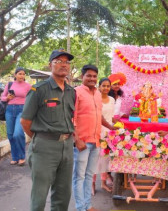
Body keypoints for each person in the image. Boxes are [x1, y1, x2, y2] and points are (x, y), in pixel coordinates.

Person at [20, 49, 75, 211]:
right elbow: (25, 121)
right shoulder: (39, 90)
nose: (63, 65)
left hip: (67, 147)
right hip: (45, 147)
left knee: (63, 195)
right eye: (58, 61)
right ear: (50, 65)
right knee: (39, 196)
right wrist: (42, 138)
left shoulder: (71, 91)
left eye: (66, 62)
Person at [72, 65, 115, 211]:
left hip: (96, 141)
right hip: (82, 142)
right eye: (88, 76)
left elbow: (99, 115)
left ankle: (88, 205)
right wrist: (76, 139)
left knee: (89, 175)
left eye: (94, 76)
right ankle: (80, 207)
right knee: (79, 177)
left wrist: (110, 126)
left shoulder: (97, 93)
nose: (92, 78)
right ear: (82, 76)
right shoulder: (76, 92)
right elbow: (71, 117)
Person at [1, 67, 31, 166]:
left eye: (23, 74)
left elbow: (32, 97)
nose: (22, 76)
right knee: (10, 135)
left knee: (17, 134)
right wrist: (7, 98)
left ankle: (22, 156)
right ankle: (15, 157)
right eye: (20, 74)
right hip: (9, 110)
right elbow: (2, 97)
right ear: (15, 75)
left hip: (21, 110)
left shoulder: (28, 86)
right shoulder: (10, 84)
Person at [92, 78, 115, 195]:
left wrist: (118, 125)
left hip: (109, 134)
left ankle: (103, 183)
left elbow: (112, 116)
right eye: (103, 86)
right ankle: (92, 184)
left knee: (105, 159)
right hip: (97, 132)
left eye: (108, 86)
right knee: (95, 159)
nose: (106, 88)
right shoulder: (95, 98)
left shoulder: (112, 100)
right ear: (99, 86)